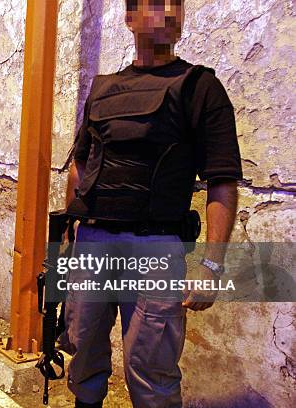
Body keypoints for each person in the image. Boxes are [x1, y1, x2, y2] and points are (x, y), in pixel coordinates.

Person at [60, 1, 242, 407]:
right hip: (93, 242)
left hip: (156, 248)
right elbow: (81, 162)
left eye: (176, 6)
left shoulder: (200, 86)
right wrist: (72, 233)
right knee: (82, 349)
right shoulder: (103, 88)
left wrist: (210, 265)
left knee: (151, 371)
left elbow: (223, 182)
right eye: (157, 5)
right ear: (129, 19)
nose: (171, 13)